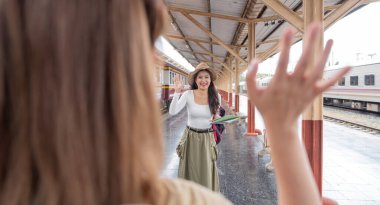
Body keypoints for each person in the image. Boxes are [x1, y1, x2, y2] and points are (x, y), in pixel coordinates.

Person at [0, 0, 349, 204]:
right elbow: (177, 113)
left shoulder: (211, 97)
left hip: (205, 142)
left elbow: (212, 116)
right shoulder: (176, 199)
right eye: (145, 44)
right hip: (192, 142)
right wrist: (284, 131)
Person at [169, 62, 222, 191]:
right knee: (190, 172)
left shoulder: (216, 96)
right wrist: (177, 92)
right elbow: (172, 111)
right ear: (195, 80)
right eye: (200, 77)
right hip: (191, 138)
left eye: (206, 77)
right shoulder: (188, 95)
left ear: (210, 80)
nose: (203, 80)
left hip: (207, 138)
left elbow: (216, 118)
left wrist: (224, 120)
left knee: (206, 173)